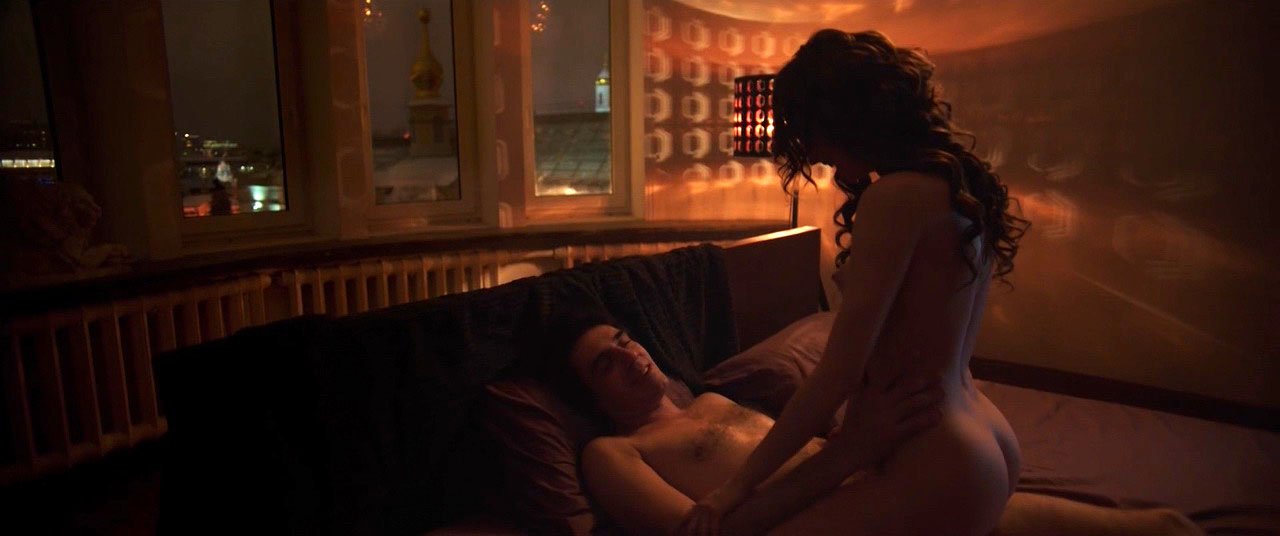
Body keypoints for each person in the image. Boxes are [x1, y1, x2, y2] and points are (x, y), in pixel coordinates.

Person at [671, 28, 1017, 535]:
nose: (813, 155)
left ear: (844, 118)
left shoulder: (894, 198)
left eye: (810, 133)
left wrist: (736, 487)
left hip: (934, 453)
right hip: (977, 431)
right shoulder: (956, 188)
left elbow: (837, 372)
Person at [550, 310, 1202, 536]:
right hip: (837, 513)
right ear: (592, 398)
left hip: (869, 481)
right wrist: (848, 454)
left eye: (624, 339)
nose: (628, 354)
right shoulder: (614, 452)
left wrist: (854, 441)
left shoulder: (710, 399)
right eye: (606, 363)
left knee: (1161, 527)